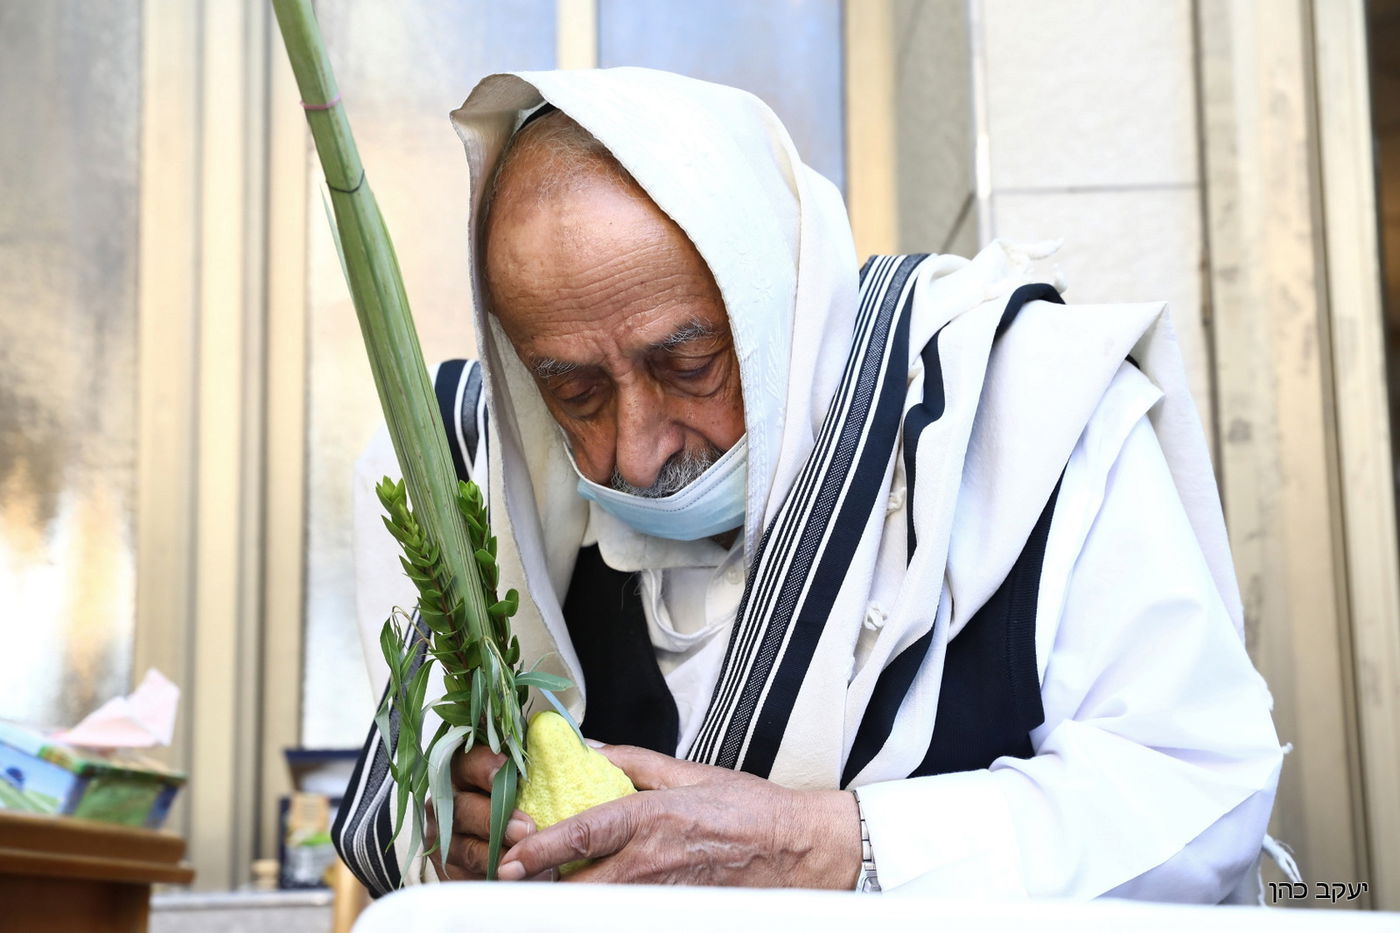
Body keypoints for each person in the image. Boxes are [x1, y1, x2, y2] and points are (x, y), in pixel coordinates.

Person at [334, 67, 1283, 901]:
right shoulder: (489, 483)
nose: (634, 451)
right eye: (573, 390)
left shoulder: (1021, 412)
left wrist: (822, 844)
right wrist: (462, 839)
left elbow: (1198, 792)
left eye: (691, 365)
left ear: (777, 307)